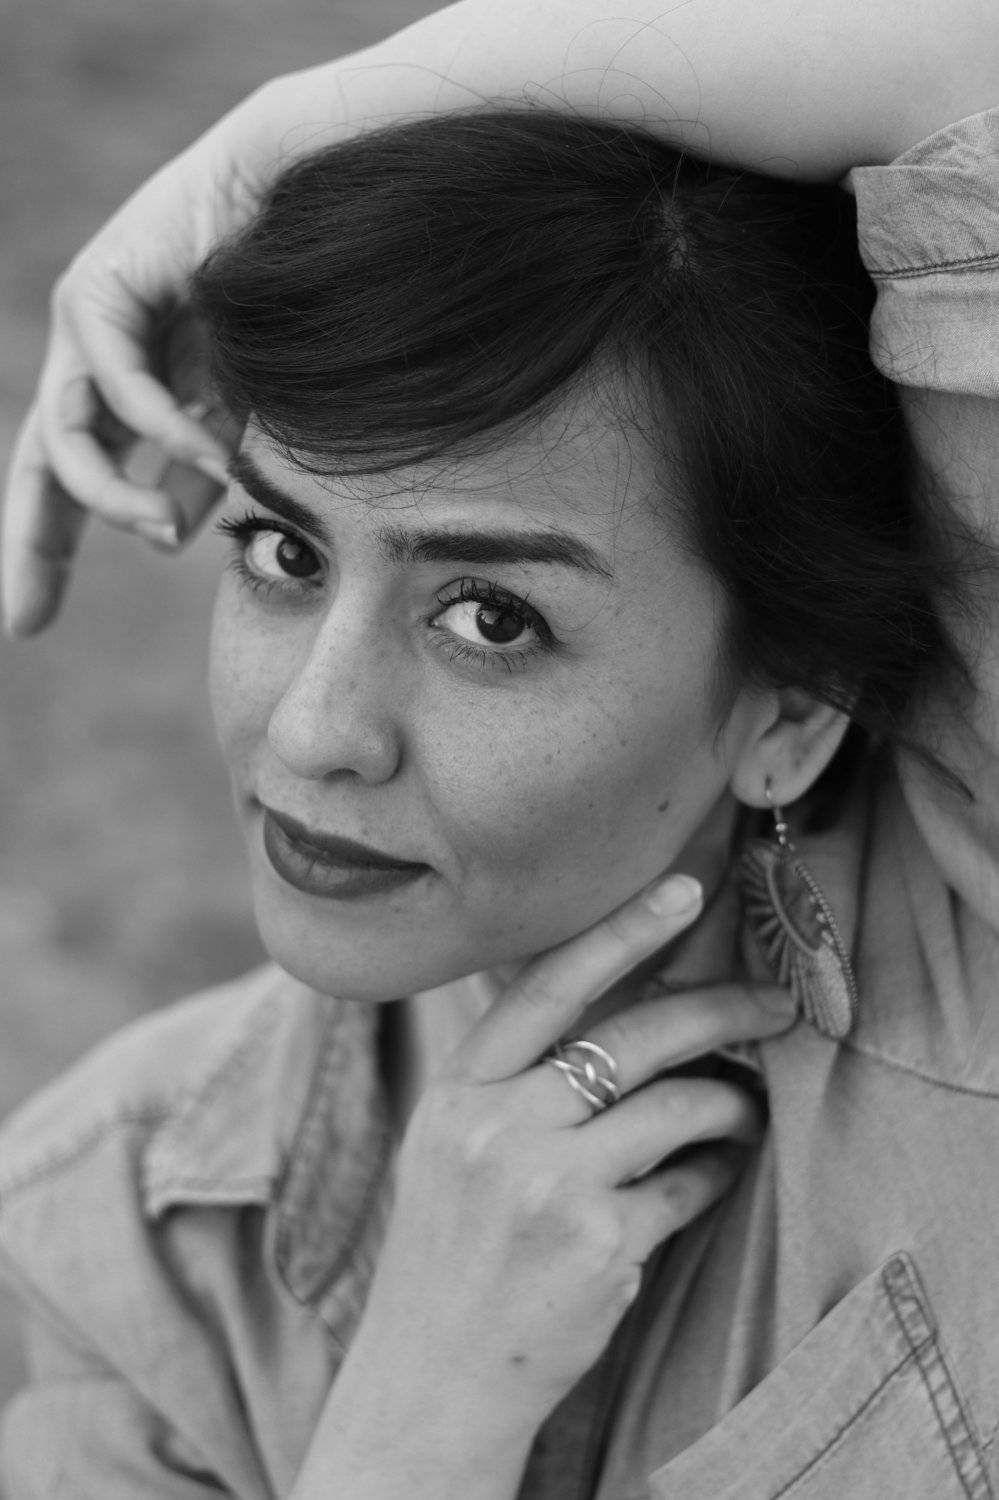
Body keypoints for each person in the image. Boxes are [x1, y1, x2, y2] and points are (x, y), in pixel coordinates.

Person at [0, 4, 997, 1499]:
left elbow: (969, 79)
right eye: (281, 551)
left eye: (490, 617)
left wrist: (276, 137)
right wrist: (412, 1429)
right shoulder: (119, 1225)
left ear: (793, 705)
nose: (313, 730)